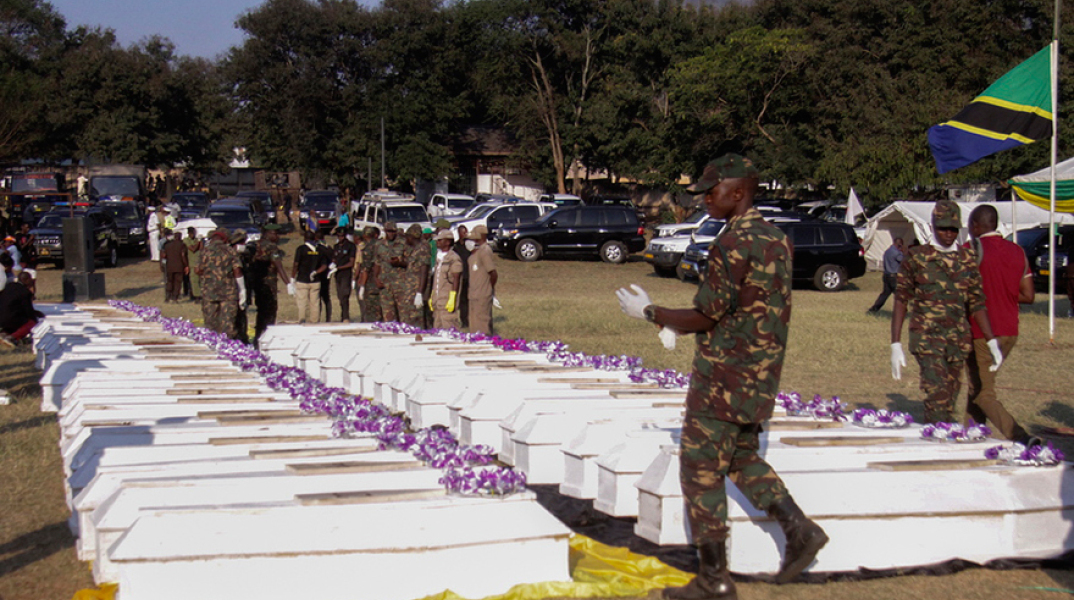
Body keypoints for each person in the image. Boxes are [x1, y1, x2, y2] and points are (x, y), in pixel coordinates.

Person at [616, 154, 828, 598]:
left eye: (711, 191)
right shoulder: (776, 239)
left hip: (724, 378)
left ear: (738, 192)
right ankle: (799, 529)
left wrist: (651, 313)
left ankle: (714, 580)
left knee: (700, 470)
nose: (704, 198)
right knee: (741, 458)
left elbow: (705, 315)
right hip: (761, 375)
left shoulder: (732, 244)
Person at [891, 200, 1004, 424]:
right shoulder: (917, 257)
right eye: (943, 228)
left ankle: (938, 434)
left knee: (950, 397)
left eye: (953, 229)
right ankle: (938, 438)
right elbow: (901, 299)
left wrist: (991, 340)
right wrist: (895, 343)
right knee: (938, 394)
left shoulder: (967, 260)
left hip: (957, 340)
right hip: (927, 339)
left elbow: (977, 302)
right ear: (933, 226)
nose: (949, 234)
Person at [963, 205, 1037, 444]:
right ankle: (970, 434)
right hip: (1010, 331)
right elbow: (1028, 295)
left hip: (982, 332)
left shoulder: (971, 250)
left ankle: (1021, 437)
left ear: (975, 225)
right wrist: (1004, 292)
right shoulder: (1018, 252)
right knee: (977, 385)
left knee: (984, 393)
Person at [196, 228, 244, 339]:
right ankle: (228, 349)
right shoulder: (230, 251)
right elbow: (237, 270)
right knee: (228, 325)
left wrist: (208, 274)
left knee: (210, 325)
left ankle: (212, 347)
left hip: (209, 292)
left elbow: (197, 270)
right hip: (228, 293)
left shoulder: (204, 251)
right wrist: (242, 290)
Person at [251, 224, 294, 346]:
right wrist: (288, 283)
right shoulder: (271, 247)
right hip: (269, 284)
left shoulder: (256, 245)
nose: (277, 236)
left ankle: (257, 339)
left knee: (261, 313)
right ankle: (265, 340)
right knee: (269, 313)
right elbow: (278, 265)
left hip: (257, 284)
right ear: (268, 234)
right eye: (275, 234)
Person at [373, 222, 407, 322]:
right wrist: (376, 278)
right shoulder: (379, 245)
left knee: (403, 314)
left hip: (400, 284)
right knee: (388, 315)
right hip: (385, 284)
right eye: (389, 231)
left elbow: (409, 262)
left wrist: (399, 263)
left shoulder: (403, 243)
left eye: (393, 231)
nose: (391, 234)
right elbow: (377, 263)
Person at [466, 225, 497, 335]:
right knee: (473, 322)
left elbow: (493, 273)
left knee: (482, 323)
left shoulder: (485, 251)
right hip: (473, 293)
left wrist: (490, 289)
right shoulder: (475, 253)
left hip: (482, 293)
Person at [0, 272, 44, 348]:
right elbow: (28, 311)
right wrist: (36, 315)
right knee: (31, 322)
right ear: (26, 280)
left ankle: (3, 333)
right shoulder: (25, 292)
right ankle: (12, 338)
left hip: (1, 316)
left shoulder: (9, 286)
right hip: (10, 318)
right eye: (30, 279)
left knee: (15, 320)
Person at [398, 224, 430, 327]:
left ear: (411, 237)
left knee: (416, 320)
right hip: (410, 290)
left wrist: (419, 293)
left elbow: (423, 271)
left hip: (416, 290)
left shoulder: (422, 250)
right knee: (408, 319)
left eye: (407, 237)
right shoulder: (415, 250)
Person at [431, 230, 463, 330]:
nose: (437, 242)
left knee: (449, 330)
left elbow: (456, 279)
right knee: (437, 330)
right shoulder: (439, 258)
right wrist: (432, 295)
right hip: (437, 302)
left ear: (448, 242)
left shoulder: (453, 258)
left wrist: (452, 297)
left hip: (447, 301)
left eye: (440, 240)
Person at [292, 230, 325, 323]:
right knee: (315, 303)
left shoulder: (301, 249)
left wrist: (292, 277)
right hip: (315, 280)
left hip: (302, 280)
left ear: (305, 238)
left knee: (302, 303)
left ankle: (302, 321)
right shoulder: (319, 249)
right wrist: (316, 272)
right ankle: (314, 322)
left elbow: (296, 264)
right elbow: (324, 265)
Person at [867, 237, 905, 314]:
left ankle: (874, 309)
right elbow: (903, 261)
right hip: (894, 276)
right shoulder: (897, 253)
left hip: (886, 275)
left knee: (885, 294)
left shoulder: (887, 251)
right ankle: (901, 311)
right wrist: (903, 252)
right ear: (899, 244)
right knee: (899, 295)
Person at [355, 227, 382, 322]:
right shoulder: (381, 244)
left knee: (371, 312)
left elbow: (366, 269)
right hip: (384, 281)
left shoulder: (368, 248)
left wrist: (362, 286)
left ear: (365, 235)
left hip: (372, 284)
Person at [231, 230, 253, 343]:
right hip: (233, 290)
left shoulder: (244, 255)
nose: (243, 245)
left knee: (242, 315)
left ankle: (243, 337)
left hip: (244, 288)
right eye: (241, 242)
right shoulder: (230, 255)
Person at [331, 228, 357, 321]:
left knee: (345, 295)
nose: (340, 237)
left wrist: (338, 268)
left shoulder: (350, 246)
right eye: (338, 235)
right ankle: (343, 315)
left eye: (342, 235)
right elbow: (334, 258)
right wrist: (332, 264)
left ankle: (345, 316)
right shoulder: (336, 246)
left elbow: (351, 263)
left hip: (346, 273)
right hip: (337, 274)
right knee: (340, 296)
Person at [161, 229, 189, 303]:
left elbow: (163, 255)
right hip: (179, 266)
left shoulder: (167, 245)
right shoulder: (182, 245)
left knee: (169, 281)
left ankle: (167, 297)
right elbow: (183, 256)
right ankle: (174, 297)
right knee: (177, 282)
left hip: (169, 266)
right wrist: (186, 265)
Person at [452, 224, 472, 327]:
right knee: (462, 300)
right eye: (463, 232)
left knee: (470, 299)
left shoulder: (470, 245)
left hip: (470, 276)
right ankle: (464, 321)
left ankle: (471, 320)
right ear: (459, 233)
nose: (465, 234)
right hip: (460, 276)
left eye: (466, 232)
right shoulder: (455, 247)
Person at [316, 230, 333, 322]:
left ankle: (317, 317)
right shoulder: (329, 247)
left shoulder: (317, 248)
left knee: (317, 298)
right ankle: (328, 318)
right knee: (326, 297)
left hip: (319, 275)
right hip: (327, 274)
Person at [184, 227, 202, 301]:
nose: (192, 235)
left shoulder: (197, 240)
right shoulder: (186, 240)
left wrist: (200, 242)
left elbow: (201, 249)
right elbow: (193, 249)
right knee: (193, 281)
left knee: (199, 280)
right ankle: (196, 296)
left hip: (198, 262)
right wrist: (198, 242)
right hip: (191, 263)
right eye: (191, 233)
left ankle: (198, 294)